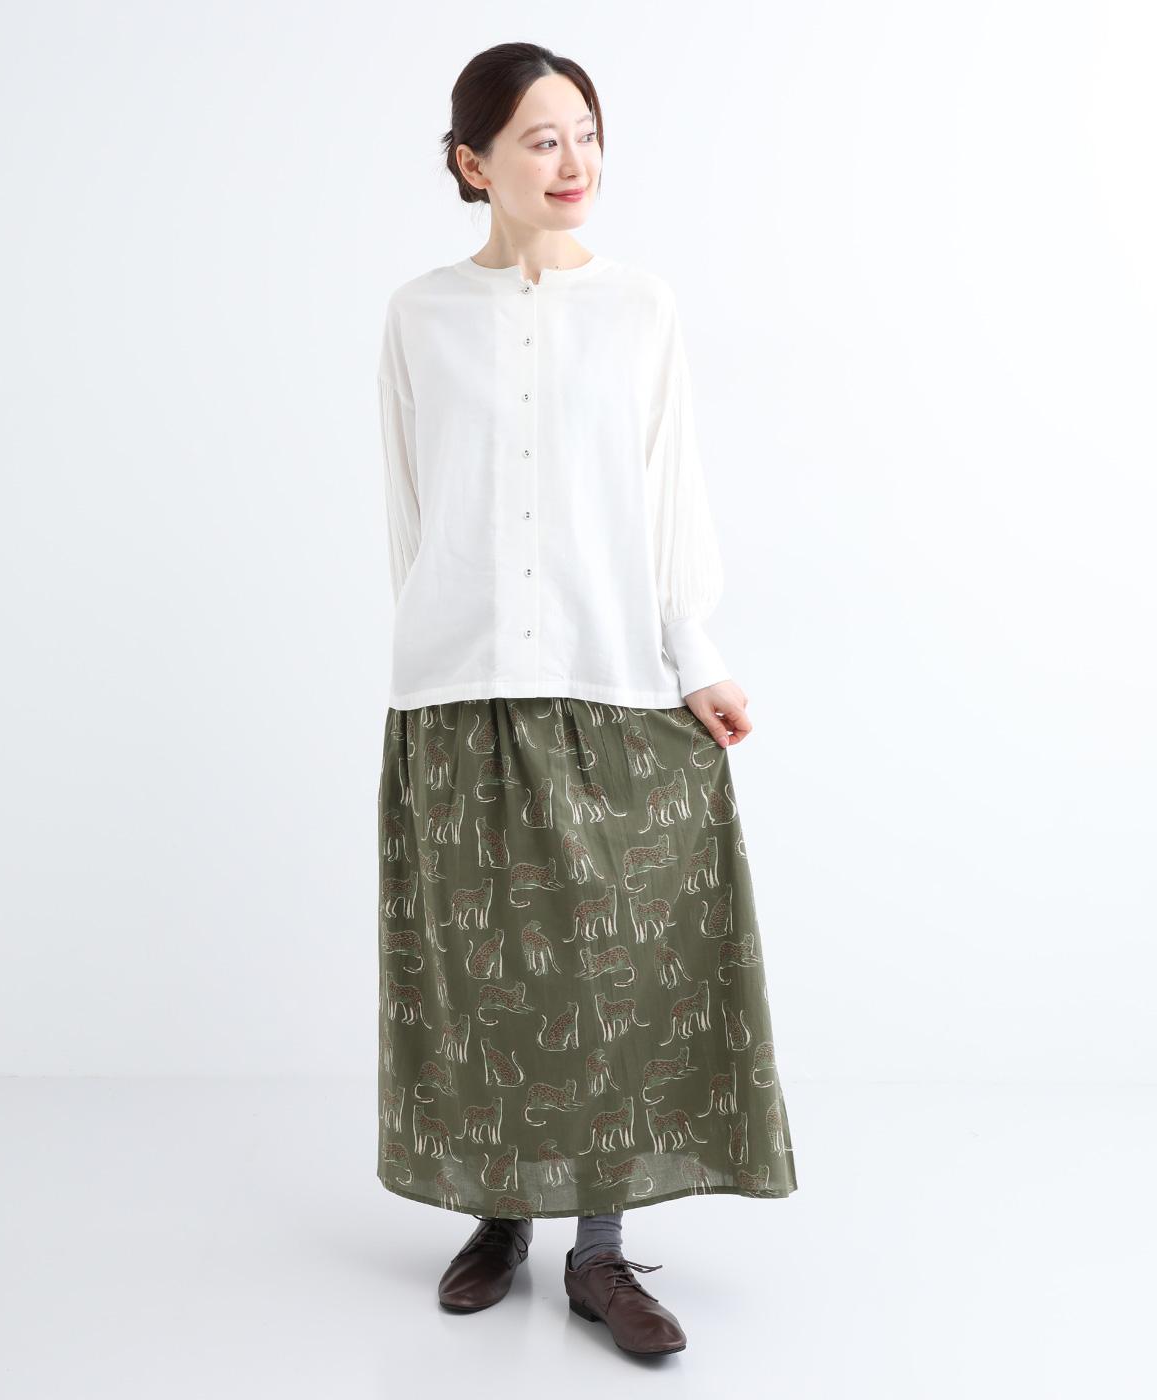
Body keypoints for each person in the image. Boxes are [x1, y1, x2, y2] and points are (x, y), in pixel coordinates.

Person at [374, 42, 797, 1356]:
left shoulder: (639, 309)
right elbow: (409, 506)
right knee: (483, 968)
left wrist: (694, 650)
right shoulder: (419, 315)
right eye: (542, 139)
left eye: (588, 134)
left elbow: (669, 492)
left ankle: (600, 1252)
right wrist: (436, 654)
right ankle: (498, 1215)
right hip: (460, 688)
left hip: (613, 680)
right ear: (473, 162)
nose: (574, 163)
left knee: (614, 972)